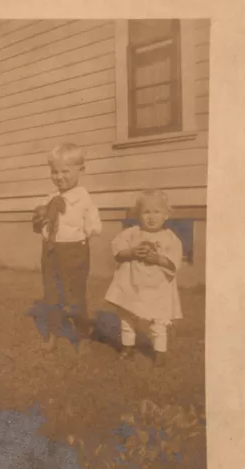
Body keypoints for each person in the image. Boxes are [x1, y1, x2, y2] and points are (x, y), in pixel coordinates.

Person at [32, 142, 102, 353]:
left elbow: (94, 227)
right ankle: (53, 333)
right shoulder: (50, 198)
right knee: (52, 294)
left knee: (74, 295)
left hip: (74, 252)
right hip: (51, 251)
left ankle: (82, 335)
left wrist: (81, 233)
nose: (59, 176)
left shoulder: (83, 199)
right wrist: (39, 220)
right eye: (54, 171)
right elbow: (41, 228)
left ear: (80, 169)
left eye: (65, 171)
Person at [104, 189, 182, 366]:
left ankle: (160, 351)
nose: (151, 217)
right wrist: (131, 252)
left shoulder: (170, 238)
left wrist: (160, 259)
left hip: (158, 286)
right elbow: (117, 249)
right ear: (138, 214)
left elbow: (174, 262)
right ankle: (128, 346)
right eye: (146, 212)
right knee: (128, 315)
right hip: (133, 283)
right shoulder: (132, 233)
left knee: (159, 319)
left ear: (166, 215)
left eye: (157, 212)